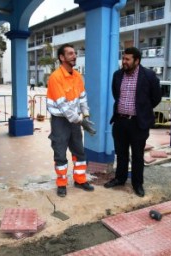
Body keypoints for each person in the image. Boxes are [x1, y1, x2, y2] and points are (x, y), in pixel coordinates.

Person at [104, 47, 162, 197]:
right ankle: (120, 178)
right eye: (123, 58)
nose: (124, 62)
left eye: (127, 59)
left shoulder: (148, 76)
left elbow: (156, 98)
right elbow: (116, 94)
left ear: (137, 61)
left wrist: (143, 110)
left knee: (137, 155)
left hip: (138, 123)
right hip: (120, 121)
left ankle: (137, 184)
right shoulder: (117, 75)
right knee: (121, 153)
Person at [46, 43, 96, 197]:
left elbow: (82, 99)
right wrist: (81, 121)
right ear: (62, 57)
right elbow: (63, 107)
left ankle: (80, 180)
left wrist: (86, 116)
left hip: (75, 121)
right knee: (60, 153)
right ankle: (61, 183)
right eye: (70, 54)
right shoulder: (56, 77)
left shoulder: (78, 77)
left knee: (79, 151)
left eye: (75, 53)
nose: (74, 56)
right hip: (60, 121)